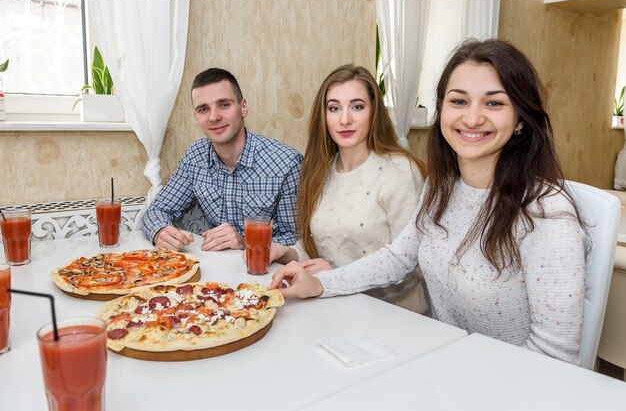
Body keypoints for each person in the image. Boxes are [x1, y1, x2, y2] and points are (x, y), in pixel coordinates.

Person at [269, 39, 587, 365]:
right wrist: (320, 284)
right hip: (439, 363)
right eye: (459, 101)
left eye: (494, 104)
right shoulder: (441, 186)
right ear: (442, 111)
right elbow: (397, 258)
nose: (473, 118)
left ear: (521, 117)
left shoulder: (546, 212)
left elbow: (554, 359)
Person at [269, 64, 428, 313]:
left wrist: (333, 278)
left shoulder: (400, 172)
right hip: (337, 307)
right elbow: (323, 245)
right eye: (334, 108)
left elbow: (410, 264)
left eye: (357, 106)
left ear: (374, 112)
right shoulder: (320, 170)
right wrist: (284, 252)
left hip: (395, 316)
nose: (345, 119)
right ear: (324, 116)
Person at [142, 68, 303, 251]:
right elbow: (157, 210)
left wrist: (245, 243)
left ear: (243, 107)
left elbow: (296, 241)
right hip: (214, 272)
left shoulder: (286, 163)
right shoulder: (195, 157)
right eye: (203, 109)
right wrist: (161, 232)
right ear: (196, 117)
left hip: (266, 274)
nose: (214, 117)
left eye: (224, 105)